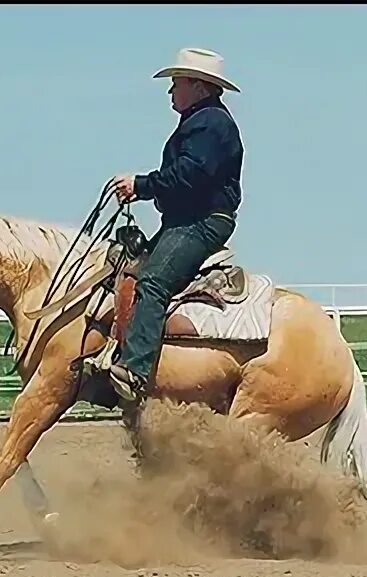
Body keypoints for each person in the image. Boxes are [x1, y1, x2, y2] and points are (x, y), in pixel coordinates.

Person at [108, 47, 245, 402]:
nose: (171, 92)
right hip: (186, 221)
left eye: (176, 84)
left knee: (153, 282)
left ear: (199, 87)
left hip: (200, 223)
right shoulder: (204, 122)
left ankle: (135, 370)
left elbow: (190, 174)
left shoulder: (211, 123)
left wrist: (141, 186)